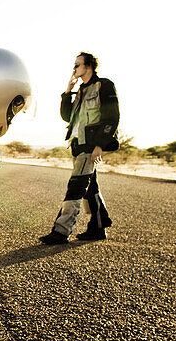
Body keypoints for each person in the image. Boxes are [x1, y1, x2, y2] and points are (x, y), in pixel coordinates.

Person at [39, 52, 120, 244]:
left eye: (77, 65)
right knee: (90, 187)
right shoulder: (81, 90)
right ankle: (99, 226)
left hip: (90, 145)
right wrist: (68, 92)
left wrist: (100, 144)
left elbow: (112, 117)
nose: (74, 69)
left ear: (88, 66)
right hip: (76, 144)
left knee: (75, 187)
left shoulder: (104, 85)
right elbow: (67, 116)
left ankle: (61, 231)